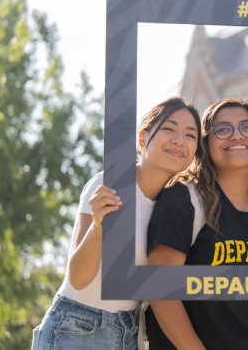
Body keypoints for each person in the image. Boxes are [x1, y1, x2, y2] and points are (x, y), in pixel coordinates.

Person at [31, 97, 202, 350]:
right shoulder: (109, 184)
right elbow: (77, 278)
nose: (179, 140)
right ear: (142, 138)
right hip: (76, 327)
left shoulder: (177, 206)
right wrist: (98, 226)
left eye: (191, 135)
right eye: (169, 128)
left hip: (128, 332)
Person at [145, 98, 248, 350]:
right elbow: (161, 290)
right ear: (205, 144)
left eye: (247, 127)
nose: (236, 136)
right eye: (222, 130)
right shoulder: (183, 199)